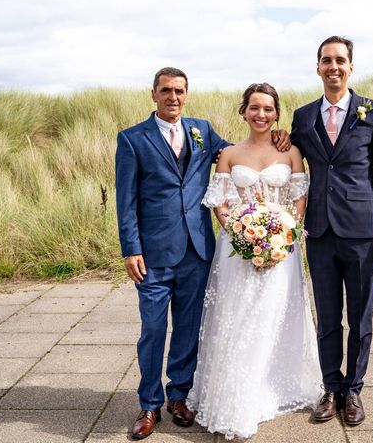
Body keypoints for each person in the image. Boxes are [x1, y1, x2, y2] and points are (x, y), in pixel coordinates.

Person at [115, 69, 290, 440]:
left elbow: (240, 153)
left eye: (179, 91)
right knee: (153, 329)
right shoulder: (132, 139)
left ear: (186, 94)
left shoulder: (203, 131)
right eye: (166, 91)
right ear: (153, 94)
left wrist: (275, 136)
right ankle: (149, 404)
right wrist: (131, 249)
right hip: (154, 253)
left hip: (197, 250)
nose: (172, 97)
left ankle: (178, 396)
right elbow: (126, 201)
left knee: (188, 329)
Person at [187, 83, 322, 440]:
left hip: (283, 248)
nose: (261, 114)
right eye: (254, 108)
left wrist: (281, 236)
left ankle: (272, 385)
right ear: (243, 111)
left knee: (275, 315)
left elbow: (299, 199)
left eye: (267, 109)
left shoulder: (291, 152)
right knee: (239, 316)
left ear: (277, 114)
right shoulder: (228, 154)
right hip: (238, 249)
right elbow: (220, 202)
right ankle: (235, 394)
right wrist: (244, 237)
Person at [290, 36, 373, 426]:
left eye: (340, 60)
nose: (333, 66)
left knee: (360, 316)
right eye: (326, 60)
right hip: (318, 231)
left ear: (351, 67)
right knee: (327, 316)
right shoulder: (302, 117)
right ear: (317, 67)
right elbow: (292, 158)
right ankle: (331, 387)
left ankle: (354, 389)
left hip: (362, 231)